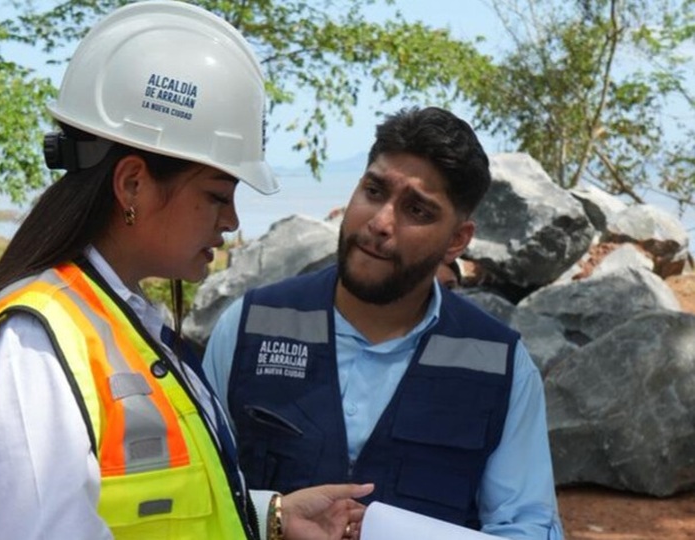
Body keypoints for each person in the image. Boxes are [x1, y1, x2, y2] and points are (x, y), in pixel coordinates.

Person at [0, 2, 372, 539]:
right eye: (216, 195)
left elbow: (150, 508)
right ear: (132, 185)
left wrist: (269, 515)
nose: (232, 220)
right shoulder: (31, 349)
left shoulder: (124, 325)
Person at [203, 106, 564, 539]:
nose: (380, 223)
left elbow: (527, 527)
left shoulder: (502, 366)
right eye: (374, 191)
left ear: (456, 241)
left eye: (418, 210)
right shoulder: (248, 328)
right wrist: (271, 516)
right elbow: (195, 498)